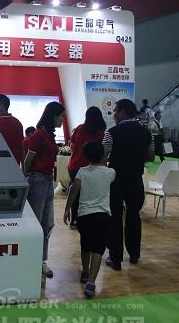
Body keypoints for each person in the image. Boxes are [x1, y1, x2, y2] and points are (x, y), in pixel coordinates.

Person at [103, 99, 154, 270]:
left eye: (115, 111)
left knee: (115, 218)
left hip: (116, 180)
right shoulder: (146, 133)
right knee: (134, 216)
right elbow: (151, 156)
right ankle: (134, 254)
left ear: (123, 112)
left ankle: (115, 258)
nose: (114, 115)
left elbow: (103, 156)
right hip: (136, 181)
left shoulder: (112, 132)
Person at [64, 141, 116, 298]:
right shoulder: (110, 172)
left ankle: (85, 272)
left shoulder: (82, 172)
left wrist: (67, 209)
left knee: (85, 246)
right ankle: (91, 283)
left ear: (86, 156)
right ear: (103, 155)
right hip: (103, 216)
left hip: (84, 215)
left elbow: (73, 190)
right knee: (98, 250)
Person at [24, 101, 65, 278]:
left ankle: (41, 260)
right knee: (36, 222)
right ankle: (32, 259)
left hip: (47, 181)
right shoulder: (39, 135)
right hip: (38, 180)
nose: (62, 120)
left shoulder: (48, 135)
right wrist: (29, 178)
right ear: (53, 116)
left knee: (47, 223)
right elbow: (28, 161)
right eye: (61, 116)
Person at [66, 107, 107, 229]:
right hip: (90, 168)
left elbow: (72, 145)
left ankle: (74, 220)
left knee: (75, 193)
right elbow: (101, 152)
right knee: (89, 195)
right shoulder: (100, 132)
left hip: (74, 165)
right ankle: (87, 219)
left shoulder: (79, 128)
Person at [0, 94, 24, 164]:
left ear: (1, 106)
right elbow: (22, 147)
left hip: (1, 164)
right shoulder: (17, 122)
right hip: (15, 164)